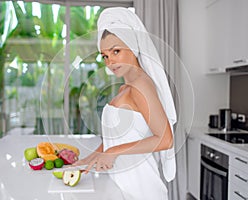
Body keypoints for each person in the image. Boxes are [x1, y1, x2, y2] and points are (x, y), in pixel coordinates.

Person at [73, 7, 177, 200]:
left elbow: (165, 139)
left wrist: (113, 152)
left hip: (142, 190)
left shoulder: (141, 86)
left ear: (133, 46)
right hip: (122, 186)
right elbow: (116, 138)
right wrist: (86, 161)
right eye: (105, 55)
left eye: (116, 51)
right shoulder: (125, 89)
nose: (110, 61)